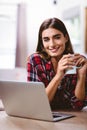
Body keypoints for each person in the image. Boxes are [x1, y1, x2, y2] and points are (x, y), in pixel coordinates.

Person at [27, 17, 87, 110]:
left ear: (65, 38)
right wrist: (59, 75)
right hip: (43, 117)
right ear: (42, 42)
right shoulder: (35, 61)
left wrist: (81, 76)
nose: (52, 44)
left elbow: (78, 105)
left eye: (57, 37)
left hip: (71, 118)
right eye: (46, 39)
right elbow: (38, 104)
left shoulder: (76, 62)